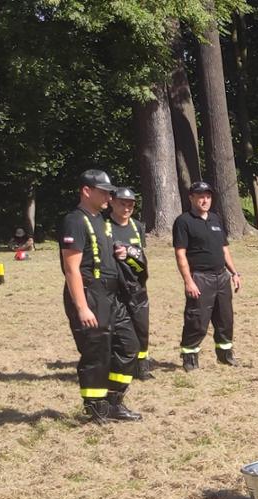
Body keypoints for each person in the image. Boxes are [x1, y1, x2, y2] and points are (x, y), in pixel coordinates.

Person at [59, 169, 142, 423]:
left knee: (129, 347)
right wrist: (82, 308)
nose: (108, 196)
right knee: (97, 352)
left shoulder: (103, 220)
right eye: (104, 191)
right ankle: (95, 407)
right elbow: (71, 268)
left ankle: (114, 401)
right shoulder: (75, 220)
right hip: (89, 293)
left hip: (111, 295)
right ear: (86, 191)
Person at [173, 180, 242, 370]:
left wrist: (234, 273)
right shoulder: (183, 221)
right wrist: (189, 281)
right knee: (197, 320)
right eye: (201, 196)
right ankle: (189, 357)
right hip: (200, 278)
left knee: (225, 319)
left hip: (221, 277)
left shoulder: (215, 219)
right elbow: (180, 254)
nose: (205, 200)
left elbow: (224, 249)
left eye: (208, 196)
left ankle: (225, 355)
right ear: (191, 198)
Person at [106, 188, 154, 379]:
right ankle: (115, 365)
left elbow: (141, 257)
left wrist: (130, 254)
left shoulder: (137, 227)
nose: (126, 208)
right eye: (122, 203)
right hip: (112, 287)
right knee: (115, 329)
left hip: (135, 286)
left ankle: (142, 367)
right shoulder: (104, 225)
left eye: (130, 205)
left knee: (141, 326)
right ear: (112, 202)